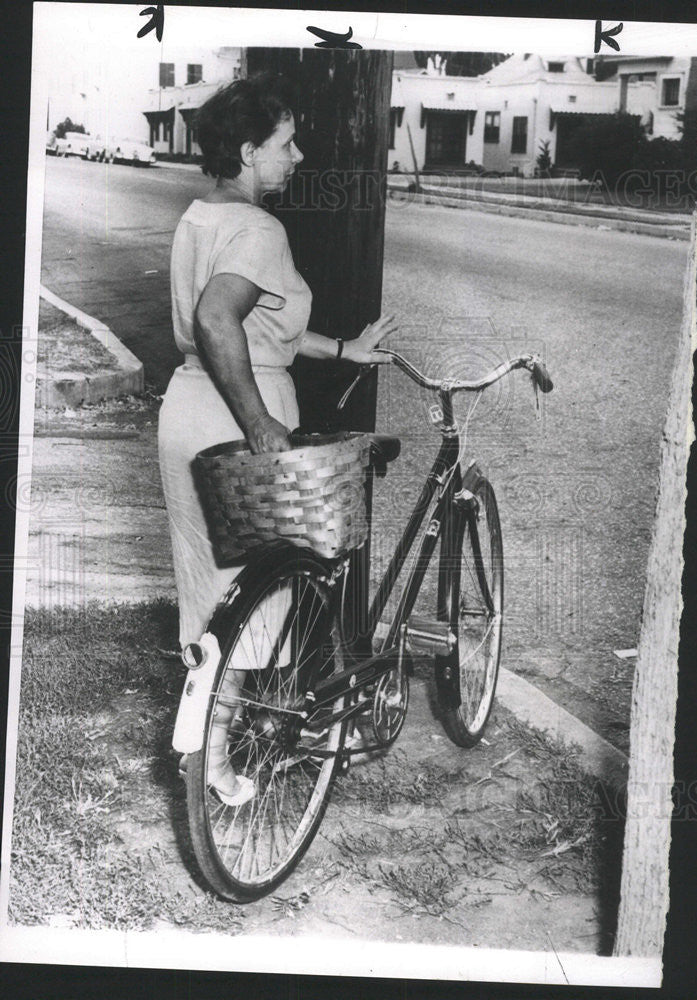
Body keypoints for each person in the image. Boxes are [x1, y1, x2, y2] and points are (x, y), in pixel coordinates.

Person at [158, 72, 395, 803]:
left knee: (211, 593)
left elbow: (259, 325)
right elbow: (219, 319)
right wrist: (261, 424)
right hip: (237, 415)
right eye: (286, 144)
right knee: (260, 600)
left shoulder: (202, 214)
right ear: (249, 148)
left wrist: (342, 350)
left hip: (188, 408)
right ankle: (217, 762)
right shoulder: (260, 228)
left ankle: (199, 743)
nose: (297, 157)